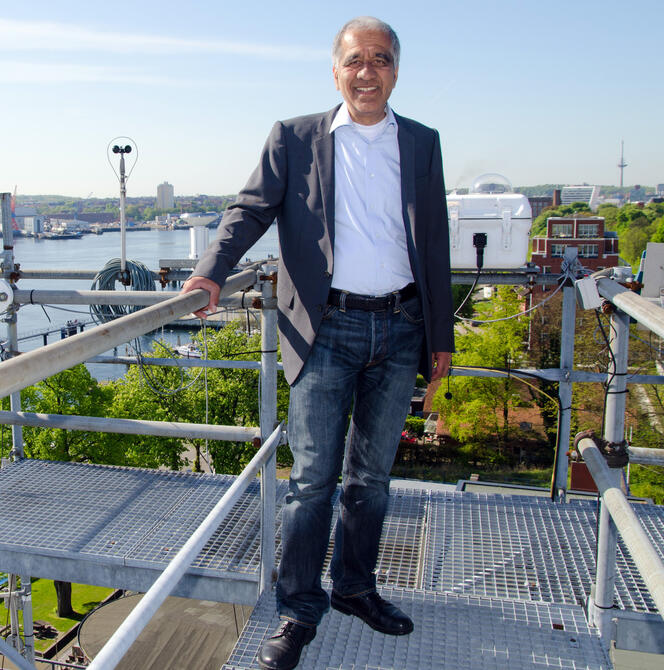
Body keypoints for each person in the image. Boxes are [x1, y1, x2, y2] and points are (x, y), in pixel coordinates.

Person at [180, 16, 454, 670]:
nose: (367, 71)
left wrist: (440, 335)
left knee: (372, 478)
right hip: (324, 328)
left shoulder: (422, 142)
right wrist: (211, 272)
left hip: (402, 325)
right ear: (336, 71)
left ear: (396, 71)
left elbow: (436, 239)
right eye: (355, 59)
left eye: (380, 59)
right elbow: (250, 210)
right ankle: (298, 609)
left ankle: (355, 587)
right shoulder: (295, 138)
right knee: (311, 482)